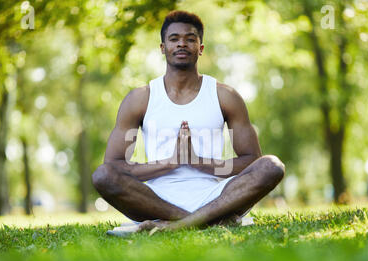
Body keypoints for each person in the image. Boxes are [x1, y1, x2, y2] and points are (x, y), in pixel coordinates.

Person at [92, 10, 285, 234]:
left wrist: (200, 163)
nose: (181, 44)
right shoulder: (139, 99)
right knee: (103, 176)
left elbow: (252, 160)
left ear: (201, 48)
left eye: (190, 39)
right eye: (174, 39)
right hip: (156, 200)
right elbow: (114, 165)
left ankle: (180, 225)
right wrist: (170, 163)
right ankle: (203, 222)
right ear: (163, 48)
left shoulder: (225, 96)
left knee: (272, 166)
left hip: (217, 196)